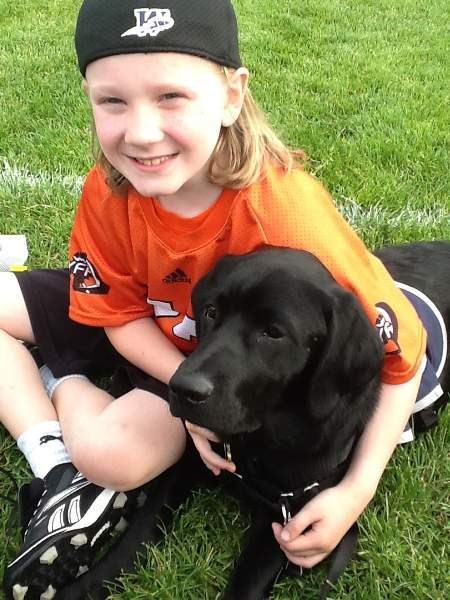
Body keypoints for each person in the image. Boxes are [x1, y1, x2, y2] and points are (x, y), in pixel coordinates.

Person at [0, 0, 444, 598]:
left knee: (111, 454)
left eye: (170, 97)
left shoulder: (289, 214)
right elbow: (121, 314)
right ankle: (53, 443)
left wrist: (355, 491)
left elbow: (401, 359)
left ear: (232, 94)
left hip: (212, 361)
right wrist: (183, 373)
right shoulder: (109, 187)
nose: (141, 132)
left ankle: (64, 436)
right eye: (112, 100)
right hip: (156, 332)